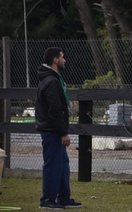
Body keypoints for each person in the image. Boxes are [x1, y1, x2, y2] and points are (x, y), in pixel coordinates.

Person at [35, 47, 82, 210]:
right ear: (55, 60)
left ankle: (63, 198)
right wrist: (63, 132)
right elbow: (54, 110)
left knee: (62, 165)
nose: (65, 60)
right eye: (62, 57)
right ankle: (47, 200)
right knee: (53, 165)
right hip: (52, 131)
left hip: (54, 130)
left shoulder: (54, 79)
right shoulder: (52, 82)